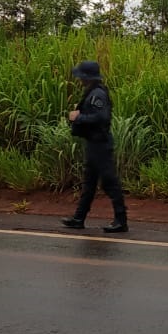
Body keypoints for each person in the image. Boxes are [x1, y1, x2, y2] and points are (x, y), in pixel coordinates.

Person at [60, 61, 127, 233]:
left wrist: (78, 117)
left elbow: (102, 117)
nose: (79, 79)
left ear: (87, 77)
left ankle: (121, 221)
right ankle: (78, 218)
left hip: (100, 145)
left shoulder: (97, 94)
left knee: (109, 182)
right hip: (93, 143)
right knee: (89, 183)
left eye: (81, 76)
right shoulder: (92, 92)